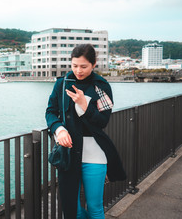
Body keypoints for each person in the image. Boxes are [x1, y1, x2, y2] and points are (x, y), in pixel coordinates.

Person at [45, 44, 126, 218]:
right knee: (72, 209)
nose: (78, 71)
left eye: (83, 66)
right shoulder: (62, 83)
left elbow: (103, 121)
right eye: (74, 66)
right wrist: (59, 130)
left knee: (95, 208)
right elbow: (51, 112)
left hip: (95, 154)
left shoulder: (101, 86)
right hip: (69, 153)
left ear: (94, 64)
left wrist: (85, 105)